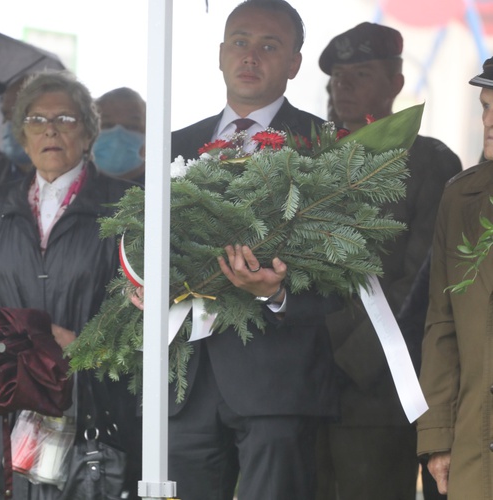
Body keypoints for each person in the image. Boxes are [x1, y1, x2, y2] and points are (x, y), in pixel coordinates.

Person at [166, 1, 338, 498]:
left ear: (294, 64)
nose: (250, 56)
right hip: (184, 384)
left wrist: (279, 293)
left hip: (277, 387)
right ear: (221, 53)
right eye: (240, 42)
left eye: (270, 45)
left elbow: (350, 267)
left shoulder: (324, 145)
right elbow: (135, 242)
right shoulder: (175, 143)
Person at [0, 70, 140, 500]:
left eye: (66, 119)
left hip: (95, 407)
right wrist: (19, 345)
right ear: (22, 135)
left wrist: (82, 346)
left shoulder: (126, 207)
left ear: (89, 133)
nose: (51, 129)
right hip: (8, 403)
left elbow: (142, 313)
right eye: (36, 119)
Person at [315, 22, 462, 500]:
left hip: (376, 387)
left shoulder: (428, 162)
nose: (344, 85)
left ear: (396, 83)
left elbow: (421, 283)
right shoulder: (306, 158)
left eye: (361, 73)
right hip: (301, 386)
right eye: (338, 75)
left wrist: (346, 357)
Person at [416, 56, 493, 499]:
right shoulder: (461, 196)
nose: (489, 120)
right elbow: (441, 324)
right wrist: (439, 437)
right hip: (475, 445)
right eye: (485, 106)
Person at [93, 87, 146, 183]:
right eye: (107, 125)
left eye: (131, 127)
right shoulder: (69, 188)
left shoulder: (163, 190)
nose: (117, 136)